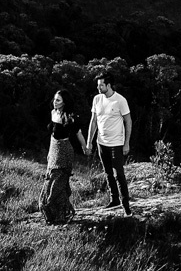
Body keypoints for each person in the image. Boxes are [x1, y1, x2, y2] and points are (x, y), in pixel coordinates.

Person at [86, 72, 132, 215]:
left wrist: (126, 143)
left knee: (119, 174)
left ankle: (126, 205)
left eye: (101, 85)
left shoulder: (120, 100)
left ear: (109, 85)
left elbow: (128, 121)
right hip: (101, 143)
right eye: (98, 85)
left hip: (116, 143)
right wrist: (89, 142)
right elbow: (93, 121)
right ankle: (114, 200)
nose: (98, 88)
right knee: (107, 172)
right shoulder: (97, 99)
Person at [40, 88, 86, 224]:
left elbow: (78, 133)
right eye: (54, 99)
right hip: (53, 150)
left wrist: (85, 147)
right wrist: (49, 154)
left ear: (64, 103)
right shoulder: (53, 112)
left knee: (57, 182)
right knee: (52, 180)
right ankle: (58, 214)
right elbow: (52, 135)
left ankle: (59, 213)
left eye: (58, 100)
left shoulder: (68, 116)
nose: (55, 102)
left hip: (64, 151)